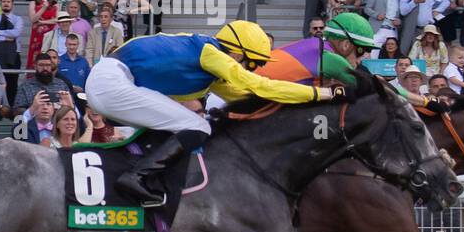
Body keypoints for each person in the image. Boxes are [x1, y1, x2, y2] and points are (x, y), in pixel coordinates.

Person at [85, 20, 342, 205]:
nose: (254, 69)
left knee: (183, 124)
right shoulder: (212, 54)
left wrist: (302, 104)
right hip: (112, 82)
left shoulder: (211, 71)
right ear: (237, 52)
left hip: (112, 81)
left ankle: (142, 175)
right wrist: (323, 94)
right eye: (254, 63)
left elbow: (252, 96)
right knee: (197, 126)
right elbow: (259, 85)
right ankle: (136, 177)